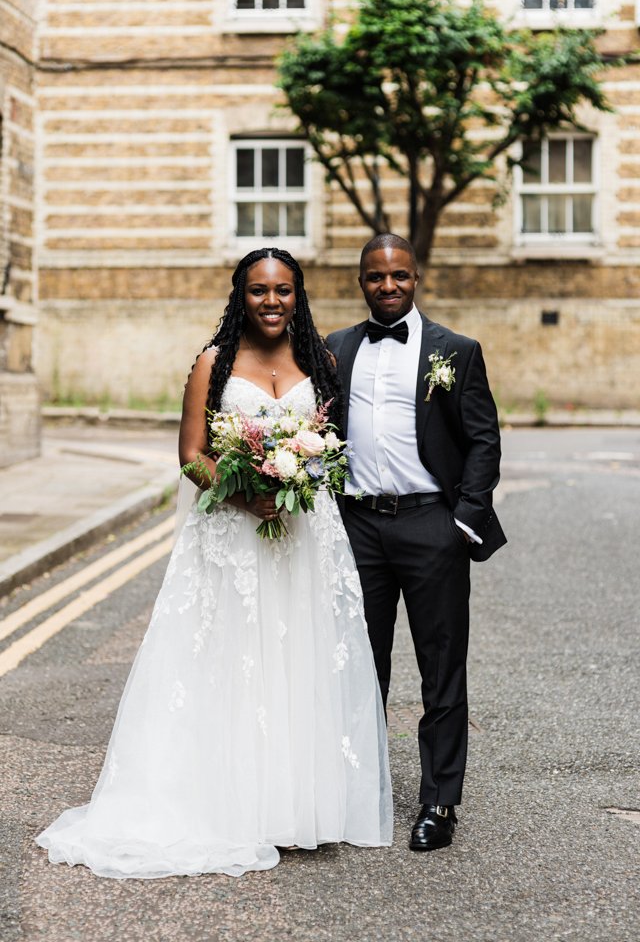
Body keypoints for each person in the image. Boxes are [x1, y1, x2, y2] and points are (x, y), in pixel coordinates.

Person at [36, 248, 392, 879]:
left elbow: (331, 449)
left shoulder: (321, 361)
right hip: (233, 537)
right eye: (258, 291)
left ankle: (296, 804)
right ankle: (233, 801)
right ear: (241, 296)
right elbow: (192, 457)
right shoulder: (212, 363)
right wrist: (245, 491)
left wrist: (298, 476)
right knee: (234, 659)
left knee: (299, 659)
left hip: (305, 534)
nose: (272, 302)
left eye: (283, 290)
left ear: (298, 294)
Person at [326, 233, 506, 852]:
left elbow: (484, 440)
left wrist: (463, 520)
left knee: (441, 669)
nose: (388, 286)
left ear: (416, 276)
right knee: (359, 668)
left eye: (399, 275)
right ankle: (359, 793)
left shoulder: (455, 350)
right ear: (361, 282)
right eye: (376, 277)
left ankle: (439, 802)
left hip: (432, 524)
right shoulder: (336, 349)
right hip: (358, 528)